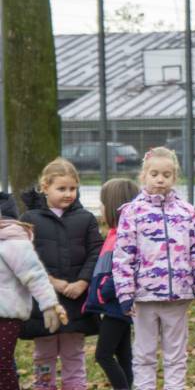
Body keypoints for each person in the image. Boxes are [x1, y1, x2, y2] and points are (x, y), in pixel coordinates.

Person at [112, 147, 195, 390]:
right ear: (143, 175)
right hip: (143, 297)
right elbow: (123, 255)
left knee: (176, 355)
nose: (160, 180)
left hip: (178, 295)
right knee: (143, 354)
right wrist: (125, 293)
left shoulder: (187, 212)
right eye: (154, 174)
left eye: (166, 175)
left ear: (174, 177)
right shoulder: (132, 212)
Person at [20, 158, 102, 390]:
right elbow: (25, 257)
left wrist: (83, 282)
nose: (68, 194)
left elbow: (96, 252)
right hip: (44, 300)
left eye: (72, 188)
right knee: (44, 354)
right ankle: (44, 386)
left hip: (76, 300)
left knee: (73, 353)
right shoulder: (30, 219)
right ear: (45, 187)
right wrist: (51, 282)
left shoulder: (86, 219)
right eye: (61, 188)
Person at [0, 212, 67, 390]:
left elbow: (34, 274)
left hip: (6, 315)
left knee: (1, 365)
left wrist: (49, 304)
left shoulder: (11, 240)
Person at [84, 179, 140, 390]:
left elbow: (121, 272)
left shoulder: (123, 238)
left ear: (114, 206)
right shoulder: (114, 234)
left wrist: (102, 292)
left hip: (116, 305)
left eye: (103, 203)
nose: (100, 208)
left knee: (103, 355)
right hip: (115, 305)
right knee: (123, 354)